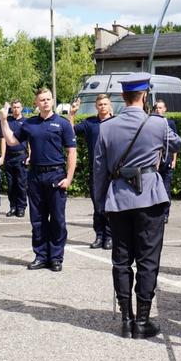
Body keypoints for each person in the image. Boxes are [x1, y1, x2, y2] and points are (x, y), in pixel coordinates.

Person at [93, 73, 181, 339]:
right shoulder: (157, 124)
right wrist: (160, 124)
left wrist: (100, 204)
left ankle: (126, 320)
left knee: (121, 260)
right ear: (145, 95)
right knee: (147, 260)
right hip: (150, 198)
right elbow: (177, 143)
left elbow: (99, 171)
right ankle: (142, 321)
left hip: (118, 198)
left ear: (122, 97)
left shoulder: (106, 127)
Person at [0, 88, 76, 272]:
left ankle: (56, 257)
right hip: (34, 176)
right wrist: (3, 120)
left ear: (53, 101)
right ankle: (41, 256)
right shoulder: (29, 124)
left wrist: (69, 178)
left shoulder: (62, 124)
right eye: (42, 100)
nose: (46, 102)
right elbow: (11, 141)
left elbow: (71, 152)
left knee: (57, 219)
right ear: (36, 103)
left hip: (56, 175)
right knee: (38, 219)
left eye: (48, 99)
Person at [68, 94, 113, 250]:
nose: (102, 107)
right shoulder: (90, 123)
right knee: (98, 206)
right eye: (100, 104)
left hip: (113, 172)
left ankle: (110, 236)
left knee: (111, 206)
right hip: (96, 171)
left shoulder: (117, 122)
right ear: (96, 106)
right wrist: (72, 114)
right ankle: (99, 236)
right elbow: (70, 131)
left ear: (110, 105)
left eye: (105, 104)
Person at [153, 99, 180, 224]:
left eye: (160, 108)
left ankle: (165, 214)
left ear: (165, 109)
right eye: (156, 108)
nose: (158, 110)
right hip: (155, 161)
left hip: (167, 160)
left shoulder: (170, 123)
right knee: (155, 188)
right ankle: (156, 212)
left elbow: (175, 143)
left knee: (166, 187)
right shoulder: (151, 123)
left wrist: (174, 159)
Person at [3, 100, 29, 218]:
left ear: (22, 108)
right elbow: (3, 138)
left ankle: (21, 207)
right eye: (13, 107)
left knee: (21, 184)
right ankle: (13, 207)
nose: (15, 109)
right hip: (9, 156)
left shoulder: (26, 122)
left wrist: (30, 156)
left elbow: (30, 141)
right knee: (11, 184)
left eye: (18, 107)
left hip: (21, 156)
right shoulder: (7, 121)